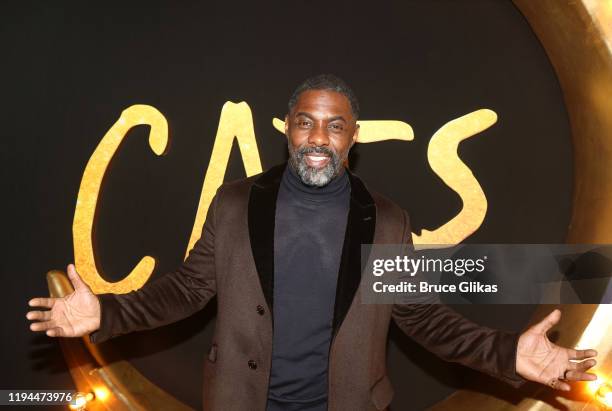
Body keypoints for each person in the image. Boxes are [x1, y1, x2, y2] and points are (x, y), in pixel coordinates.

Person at [27, 74, 598, 411]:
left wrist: (507, 355)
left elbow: (424, 320)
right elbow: (185, 292)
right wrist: (106, 313)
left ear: (353, 135)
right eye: (306, 122)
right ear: (287, 129)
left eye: (333, 125)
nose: (318, 138)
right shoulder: (234, 204)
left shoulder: (389, 220)